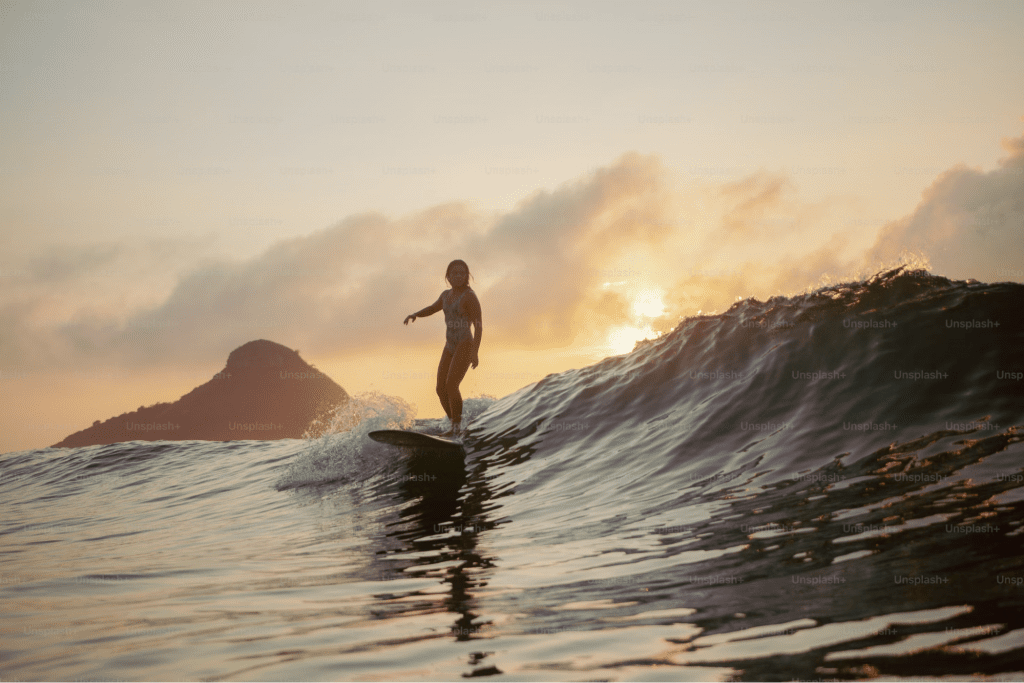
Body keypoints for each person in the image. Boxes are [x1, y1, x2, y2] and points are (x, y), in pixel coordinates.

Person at [404, 260, 482, 437]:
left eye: (462, 273)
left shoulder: (470, 297)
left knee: (452, 385)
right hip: (449, 345)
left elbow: (478, 326)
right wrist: (416, 314)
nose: (458, 276)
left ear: (467, 276)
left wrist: (475, 351)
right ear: (448, 276)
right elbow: (433, 308)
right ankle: (455, 424)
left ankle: (456, 428)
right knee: (440, 389)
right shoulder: (445, 296)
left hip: (464, 344)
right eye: (454, 273)